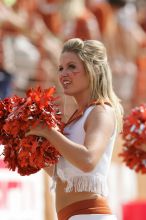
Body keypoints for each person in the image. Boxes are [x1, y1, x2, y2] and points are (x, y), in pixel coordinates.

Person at [27, 38, 123, 220]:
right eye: (61, 68)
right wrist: (28, 147)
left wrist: (48, 131)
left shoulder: (101, 111)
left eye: (72, 66)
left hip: (89, 215)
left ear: (92, 70)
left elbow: (88, 160)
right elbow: (63, 172)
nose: (64, 73)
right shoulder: (77, 118)